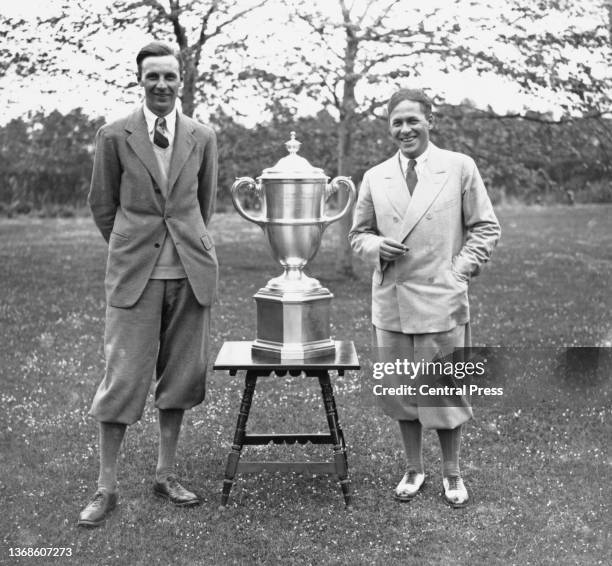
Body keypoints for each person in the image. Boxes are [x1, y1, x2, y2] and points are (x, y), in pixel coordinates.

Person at [78, 41, 218, 527]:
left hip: (190, 275)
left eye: (169, 77)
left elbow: (205, 203)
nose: (161, 85)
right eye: (152, 76)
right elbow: (102, 204)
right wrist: (131, 244)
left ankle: (165, 473)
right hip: (134, 275)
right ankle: (106, 486)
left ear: (182, 80)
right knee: (122, 379)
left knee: (180, 378)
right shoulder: (114, 135)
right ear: (140, 80)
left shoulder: (203, 135)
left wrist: (187, 245)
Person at [349, 88, 500, 508]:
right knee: (402, 390)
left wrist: (459, 271)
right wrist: (375, 246)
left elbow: (486, 227)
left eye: (413, 120)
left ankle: (452, 473)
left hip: (441, 298)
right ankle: (414, 468)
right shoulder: (375, 176)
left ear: (430, 120)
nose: (405, 129)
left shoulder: (458, 167)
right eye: (397, 122)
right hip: (392, 300)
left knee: (444, 390)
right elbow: (357, 234)